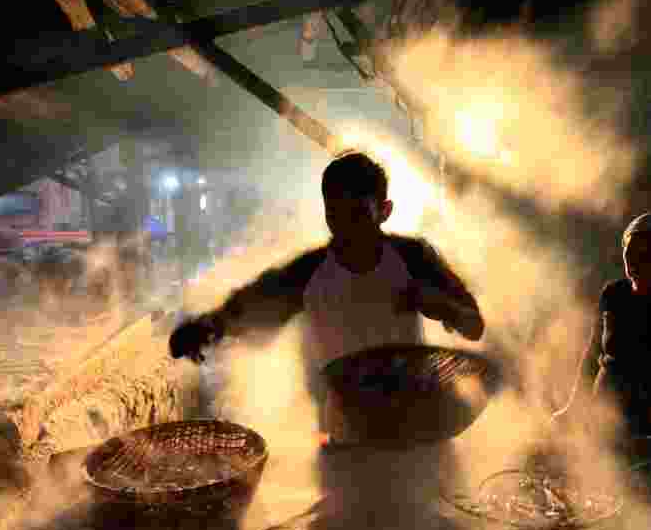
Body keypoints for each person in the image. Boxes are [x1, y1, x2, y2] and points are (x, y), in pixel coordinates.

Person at [169, 150, 485, 443]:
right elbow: (250, 309)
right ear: (325, 214)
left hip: (418, 427)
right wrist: (208, 327)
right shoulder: (308, 272)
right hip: (345, 433)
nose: (347, 229)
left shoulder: (414, 258)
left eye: (358, 214)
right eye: (336, 215)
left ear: (384, 211)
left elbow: (474, 325)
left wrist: (440, 305)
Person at [552, 213, 651, 437]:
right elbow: (593, 354)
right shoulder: (614, 294)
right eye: (631, 255)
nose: (637, 264)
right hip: (601, 413)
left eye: (649, 256)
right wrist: (572, 407)